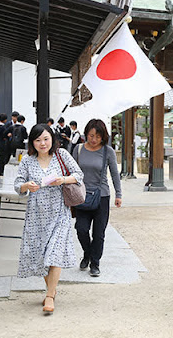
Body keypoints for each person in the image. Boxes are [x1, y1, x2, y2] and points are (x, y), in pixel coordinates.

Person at [14, 124, 84, 314]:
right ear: (32, 142)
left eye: (46, 138)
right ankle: (51, 289)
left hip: (59, 212)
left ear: (52, 138)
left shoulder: (62, 154)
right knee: (42, 256)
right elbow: (17, 184)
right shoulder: (27, 161)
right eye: (38, 140)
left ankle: (50, 296)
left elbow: (79, 174)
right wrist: (26, 186)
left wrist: (63, 180)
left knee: (54, 253)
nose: (42, 143)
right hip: (36, 215)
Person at [72, 119, 122, 277]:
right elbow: (71, 171)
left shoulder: (108, 151)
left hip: (102, 196)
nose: (94, 140)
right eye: (91, 135)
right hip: (81, 195)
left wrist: (118, 194)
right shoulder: (78, 149)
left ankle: (95, 263)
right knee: (81, 229)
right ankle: (87, 253)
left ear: (103, 137)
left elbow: (115, 174)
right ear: (86, 133)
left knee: (99, 233)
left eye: (98, 137)